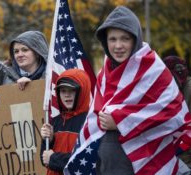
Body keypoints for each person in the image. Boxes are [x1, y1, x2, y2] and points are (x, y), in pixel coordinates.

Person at [89, 6, 191, 175]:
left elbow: (173, 113)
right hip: (109, 164)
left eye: (125, 39)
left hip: (147, 161)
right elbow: (95, 116)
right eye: (112, 39)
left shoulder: (154, 70)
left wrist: (121, 121)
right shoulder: (104, 73)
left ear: (135, 39)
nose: (118, 45)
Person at [40, 69, 91, 175]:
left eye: (72, 90)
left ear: (83, 91)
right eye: (63, 91)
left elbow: (88, 161)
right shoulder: (56, 121)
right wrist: (48, 141)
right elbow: (45, 159)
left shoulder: (90, 121)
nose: (67, 95)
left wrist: (54, 159)